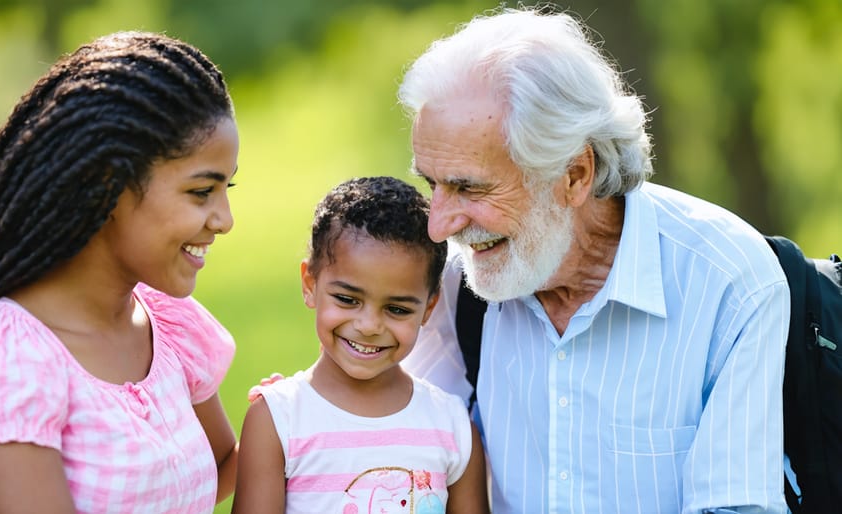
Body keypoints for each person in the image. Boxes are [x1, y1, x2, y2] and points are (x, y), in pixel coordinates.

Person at [397, 7, 790, 514]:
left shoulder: (729, 281)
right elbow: (394, 446)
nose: (438, 226)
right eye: (433, 184)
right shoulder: (455, 279)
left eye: (468, 187)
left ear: (576, 175)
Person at [0, 31, 239, 513]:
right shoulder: (8, 357)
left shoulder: (166, 322)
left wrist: (301, 411)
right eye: (202, 192)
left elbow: (225, 462)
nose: (224, 219)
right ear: (109, 185)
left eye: (229, 188)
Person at [232, 177, 489, 514]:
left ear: (428, 307)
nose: (369, 326)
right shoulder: (277, 419)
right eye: (347, 299)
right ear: (310, 284)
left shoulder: (453, 426)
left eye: (397, 309)